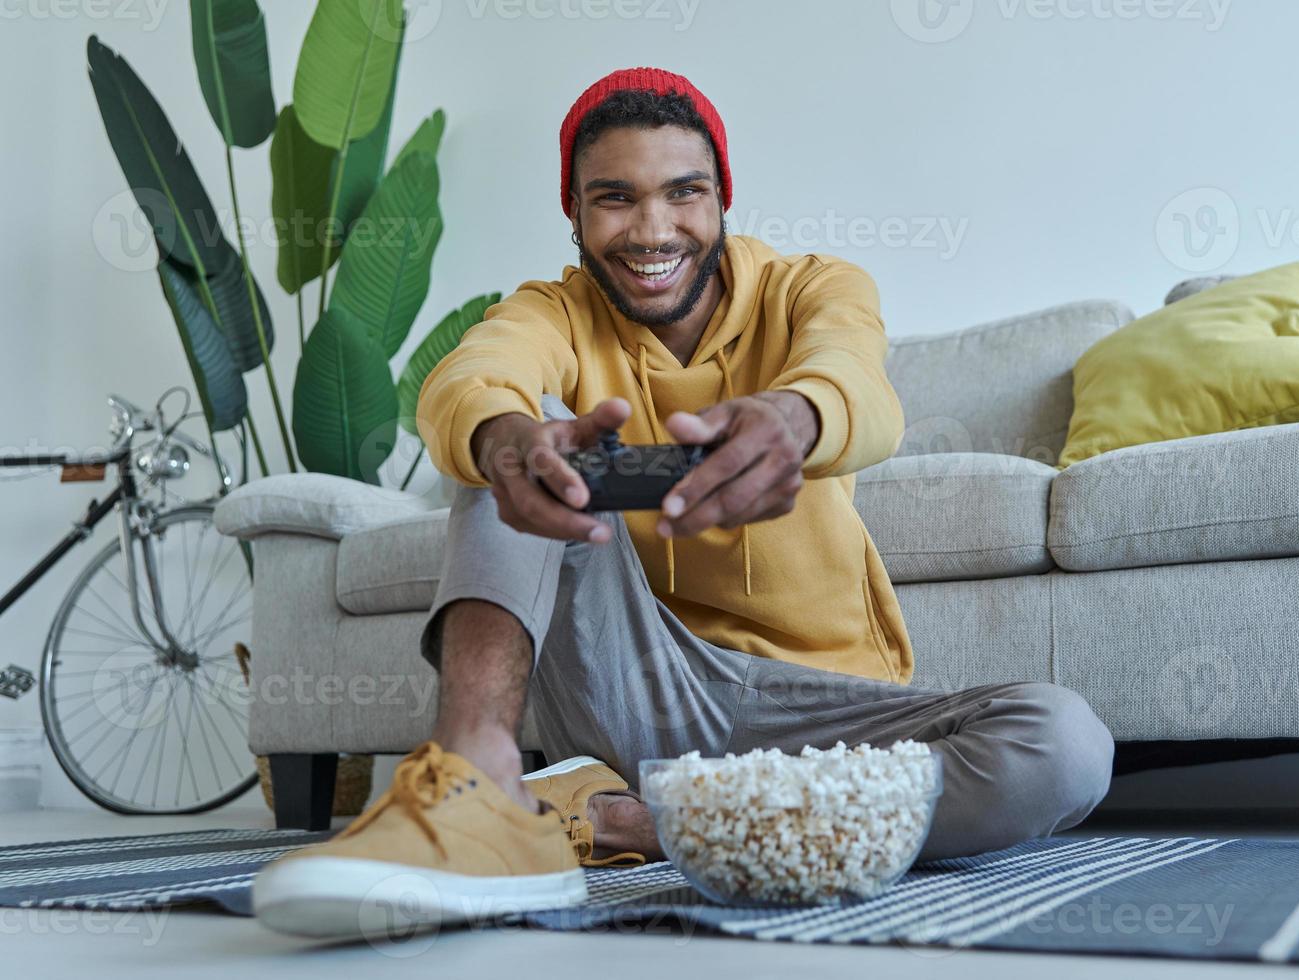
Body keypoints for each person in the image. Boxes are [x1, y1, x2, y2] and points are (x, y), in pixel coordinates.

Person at [252, 67, 1115, 939]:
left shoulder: (812, 287)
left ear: (721, 198)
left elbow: (857, 380)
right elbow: (470, 379)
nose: (652, 229)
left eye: (683, 192)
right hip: (645, 688)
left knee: (1064, 746)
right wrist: (503, 438)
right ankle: (475, 793)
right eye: (614, 199)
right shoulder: (552, 312)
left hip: (827, 716)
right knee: (525, 439)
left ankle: (621, 820)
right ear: (577, 215)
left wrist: (794, 413)